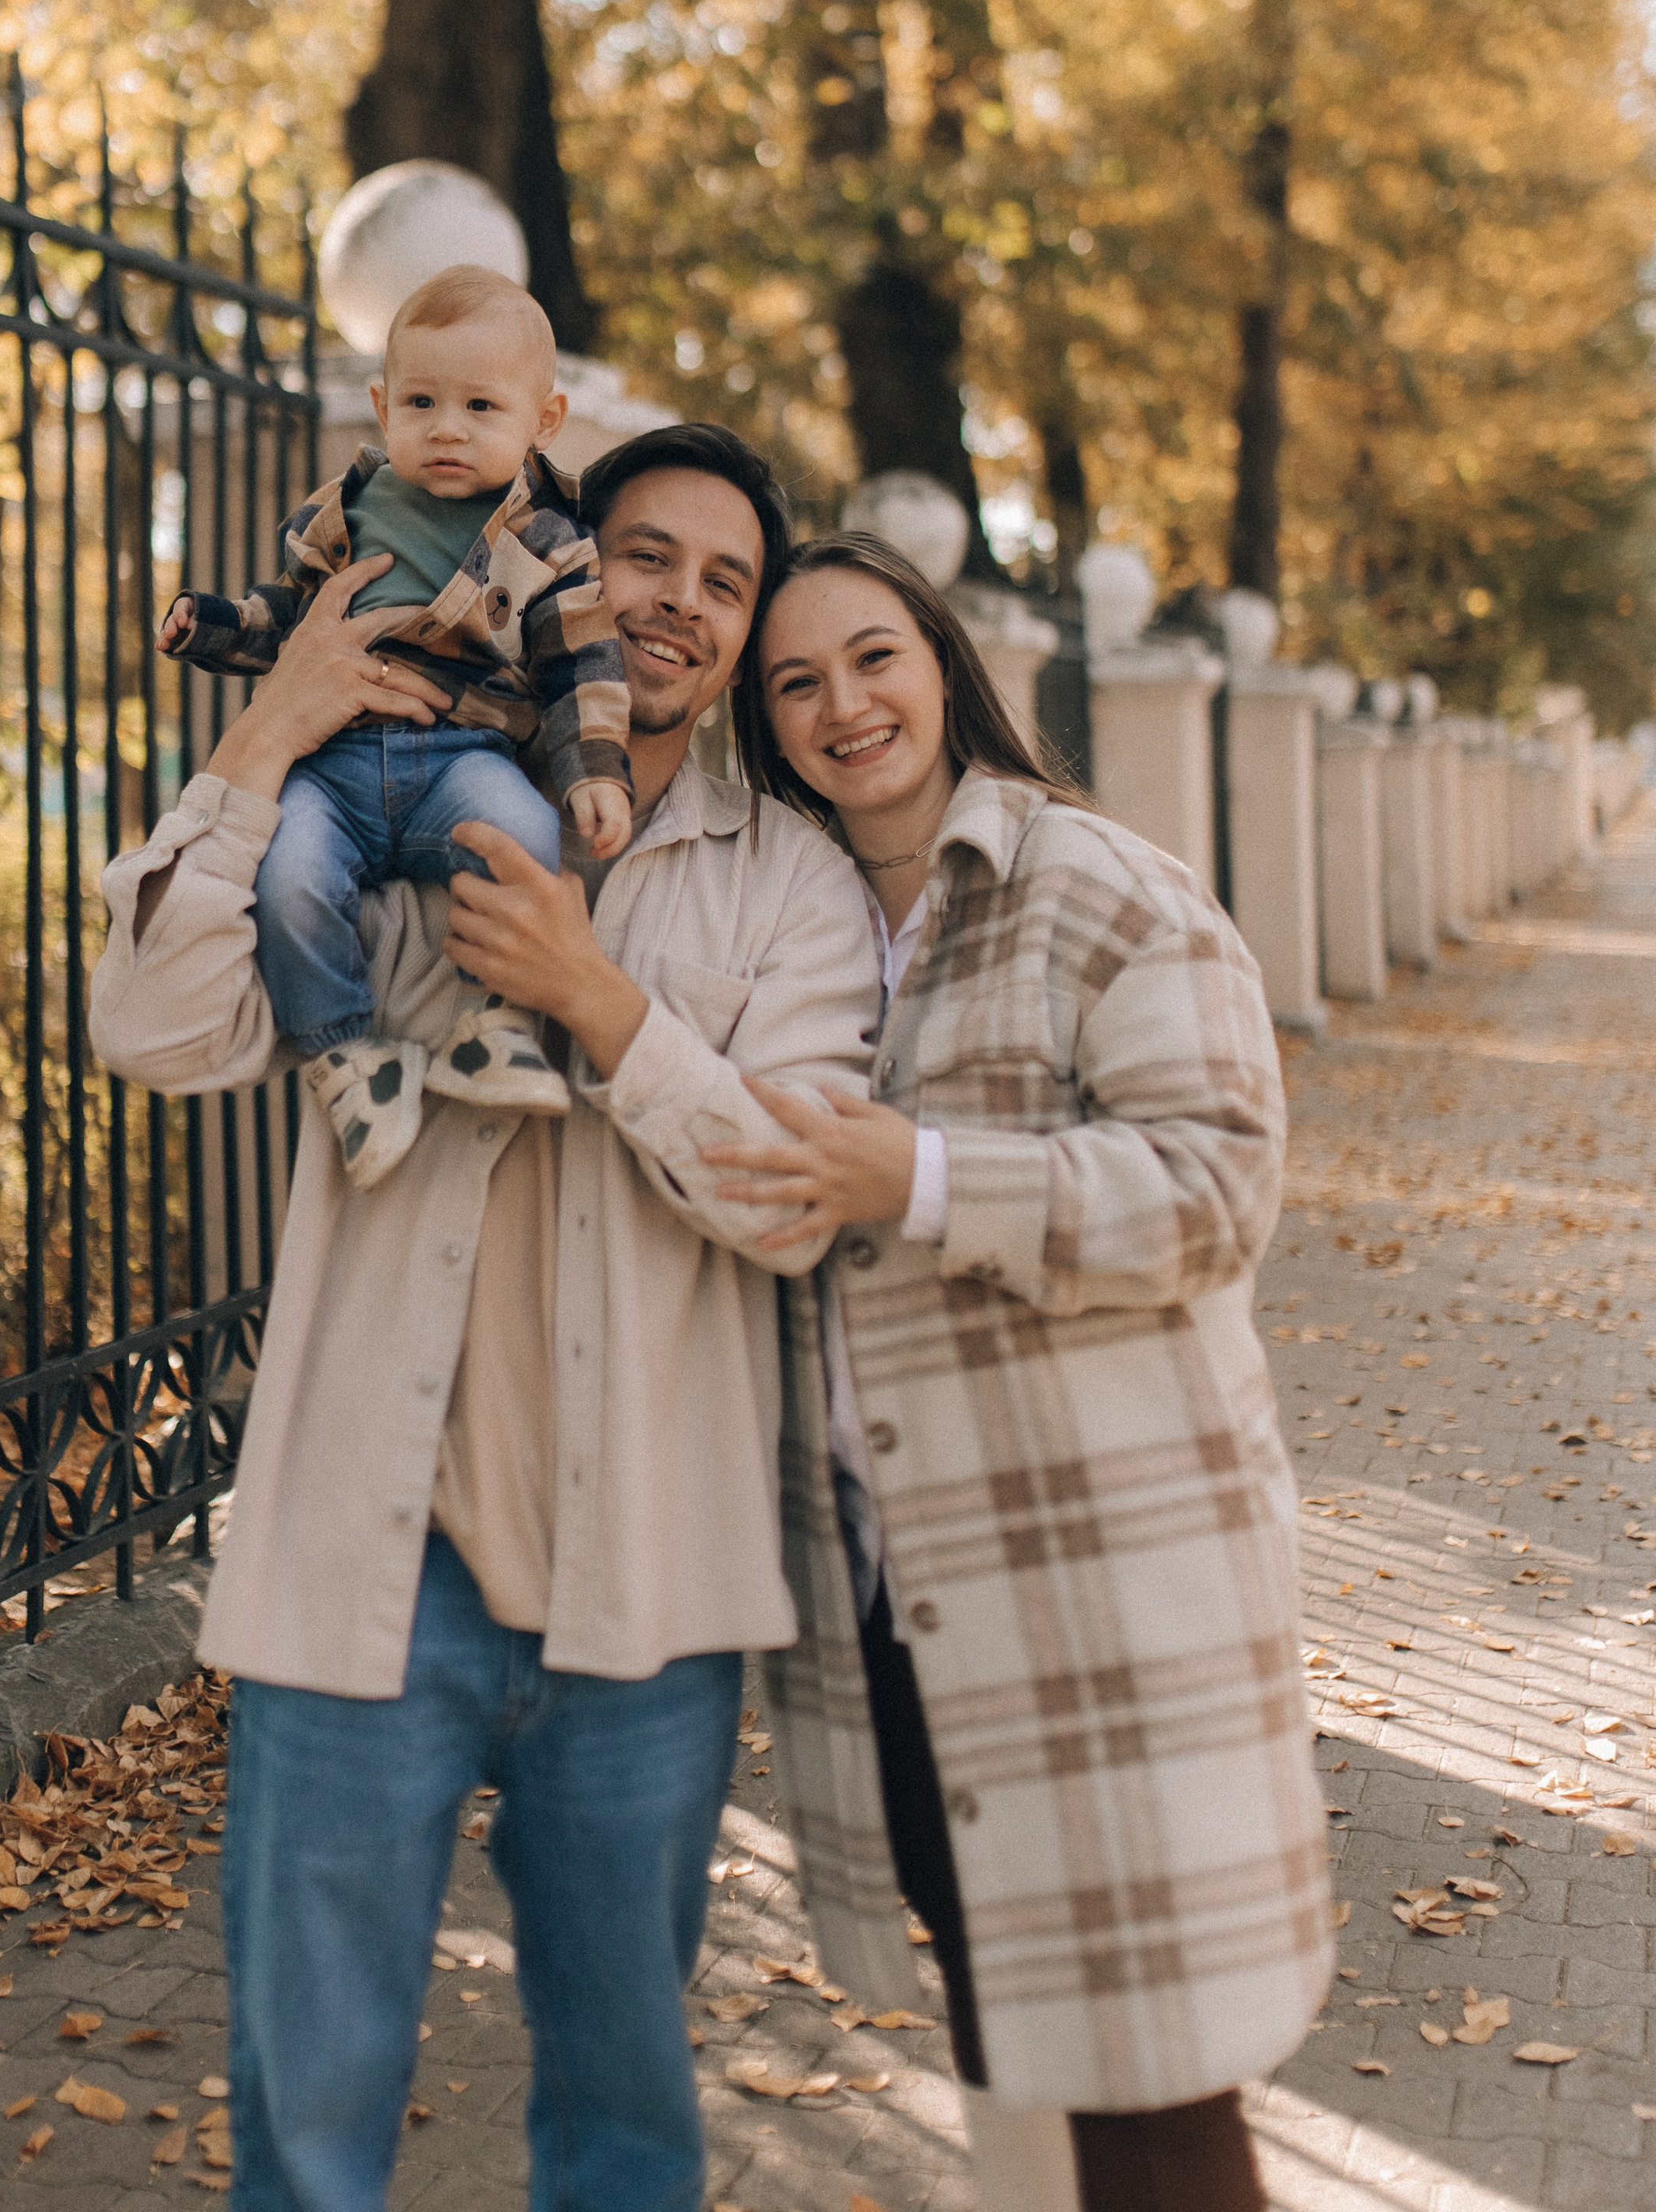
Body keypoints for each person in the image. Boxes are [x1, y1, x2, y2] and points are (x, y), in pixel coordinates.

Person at [88, 426, 883, 2212]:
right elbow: (149, 1032)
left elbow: (785, 1197)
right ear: (561, 573)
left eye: (723, 578)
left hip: (646, 1591)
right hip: (367, 1560)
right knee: (306, 2130)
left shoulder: (789, 880)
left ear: (747, 631)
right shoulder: (396, 802)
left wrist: (602, 1005)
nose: (676, 598)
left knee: (621, 2125)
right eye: (644, 555)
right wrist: (261, 731)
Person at [704, 532, 1332, 2212]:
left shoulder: (1096, 884)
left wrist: (915, 1174)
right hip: (905, 1610)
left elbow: (1212, 1192)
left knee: (1152, 2107)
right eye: (795, 684)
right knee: (1021, 2069)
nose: (842, 705)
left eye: (872, 659)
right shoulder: (805, 932)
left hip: (1102, 1602)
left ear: (942, 666)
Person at [156, 265, 633, 1183]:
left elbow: (583, 664)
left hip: (462, 755)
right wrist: (213, 624)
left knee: (524, 834)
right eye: (421, 401)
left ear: (544, 421)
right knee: (287, 875)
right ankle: (344, 1054)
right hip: (330, 766)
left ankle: (492, 1025)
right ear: (382, 406)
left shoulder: (550, 540)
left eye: (481, 408)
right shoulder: (342, 513)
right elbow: (284, 618)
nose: (447, 427)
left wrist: (593, 773)